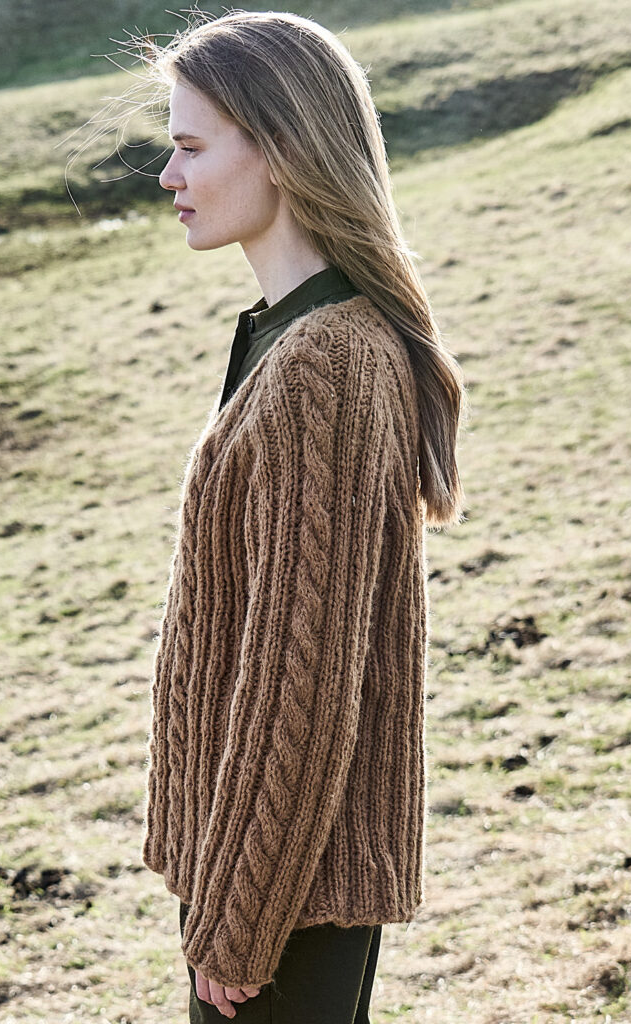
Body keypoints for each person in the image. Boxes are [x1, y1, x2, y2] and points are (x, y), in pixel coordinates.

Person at [136, 9, 468, 1022]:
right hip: (259, 870)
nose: (168, 174)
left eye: (191, 147)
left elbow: (304, 676)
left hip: (283, 896)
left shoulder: (324, 363)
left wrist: (240, 921)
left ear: (279, 149)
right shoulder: (289, 338)